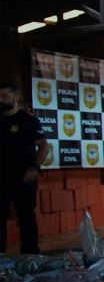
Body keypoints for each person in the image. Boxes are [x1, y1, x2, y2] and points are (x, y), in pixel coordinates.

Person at [0, 81, 50, 254]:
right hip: (1, 177)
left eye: (4, 96)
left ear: (16, 97)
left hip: (23, 176)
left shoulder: (28, 120)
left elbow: (43, 145)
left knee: (26, 218)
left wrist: (35, 168)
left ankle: (30, 256)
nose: (1, 100)